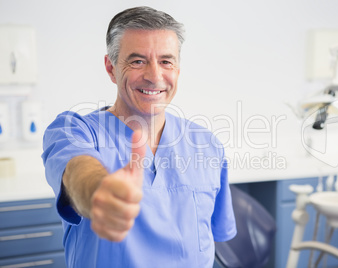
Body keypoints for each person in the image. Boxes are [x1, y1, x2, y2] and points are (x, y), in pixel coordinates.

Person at [42, 6, 236, 268]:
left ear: (177, 70)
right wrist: (100, 192)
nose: (154, 76)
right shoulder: (74, 131)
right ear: (111, 68)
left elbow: (213, 238)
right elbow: (79, 172)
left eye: (166, 61)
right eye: (137, 61)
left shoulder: (207, 144)